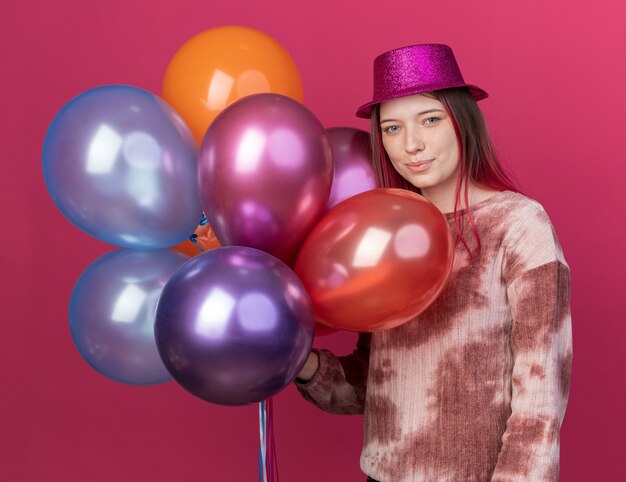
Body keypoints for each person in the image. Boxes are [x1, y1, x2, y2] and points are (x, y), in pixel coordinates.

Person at [295, 44, 572, 482]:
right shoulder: (383, 234)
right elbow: (374, 384)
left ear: (463, 121)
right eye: (391, 128)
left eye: (430, 119)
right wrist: (303, 363)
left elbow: (541, 394)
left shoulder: (518, 225)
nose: (412, 145)